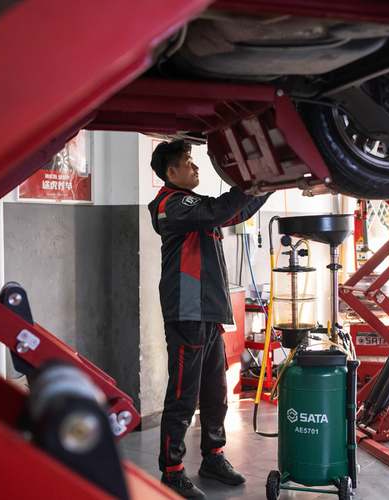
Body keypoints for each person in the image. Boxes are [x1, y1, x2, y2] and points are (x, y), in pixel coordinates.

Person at [148, 140, 270, 499]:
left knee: (216, 393)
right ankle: (171, 472)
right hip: (188, 312)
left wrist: (269, 186)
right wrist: (254, 181)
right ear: (172, 172)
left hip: (208, 312)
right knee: (183, 397)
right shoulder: (171, 204)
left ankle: (213, 457)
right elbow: (220, 211)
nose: (196, 167)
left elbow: (237, 212)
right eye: (188, 162)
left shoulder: (199, 206)